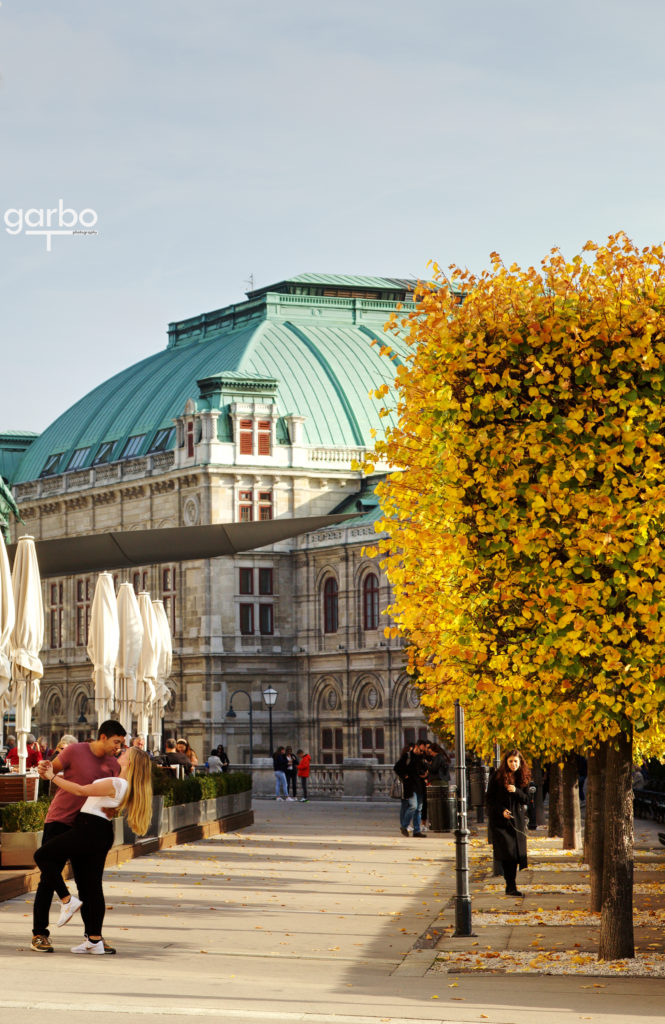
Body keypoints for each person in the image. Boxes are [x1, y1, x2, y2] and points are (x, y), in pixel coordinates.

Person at [36, 746, 152, 955]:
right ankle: (94, 940)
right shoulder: (124, 784)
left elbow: (81, 790)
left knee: (42, 856)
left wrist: (53, 777)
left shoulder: (117, 783)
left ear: (131, 762)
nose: (121, 753)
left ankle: (67, 900)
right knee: (91, 886)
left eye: (126, 752)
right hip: (100, 831)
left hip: (89, 828)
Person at [31, 720, 126, 954]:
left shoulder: (114, 766)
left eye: (121, 744)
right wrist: (44, 768)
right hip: (60, 820)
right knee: (47, 878)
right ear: (103, 737)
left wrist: (114, 809)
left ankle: (94, 937)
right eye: (116, 742)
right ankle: (40, 934)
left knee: (89, 884)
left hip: (87, 827)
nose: (118, 748)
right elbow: (48, 771)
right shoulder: (75, 750)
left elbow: (108, 798)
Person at [486, 748, 531, 897]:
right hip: (501, 823)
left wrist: (516, 790)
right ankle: (510, 886)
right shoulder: (497, 777)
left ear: (520, 762)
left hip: (517, 822)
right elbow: (490, 799)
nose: (513, 764)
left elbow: (526, 798)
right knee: (507, 854)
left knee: (516, 855)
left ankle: (511, 885)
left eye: (516, 761)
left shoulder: (523, 776)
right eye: (511, 761)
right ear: (506, 762)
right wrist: (501, 811)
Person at [394, 743, 427, 838]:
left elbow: (424, 769)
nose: (421, 752)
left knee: (418, 809)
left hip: (420, 785)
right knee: (413, 806)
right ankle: (404, 825)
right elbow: (397, 767)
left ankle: (417, 831)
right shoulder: (407, 756)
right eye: (420, 750)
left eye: (422, 751)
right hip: (411, 785)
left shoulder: (421, 757)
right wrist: (405, 776)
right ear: (416, 747)